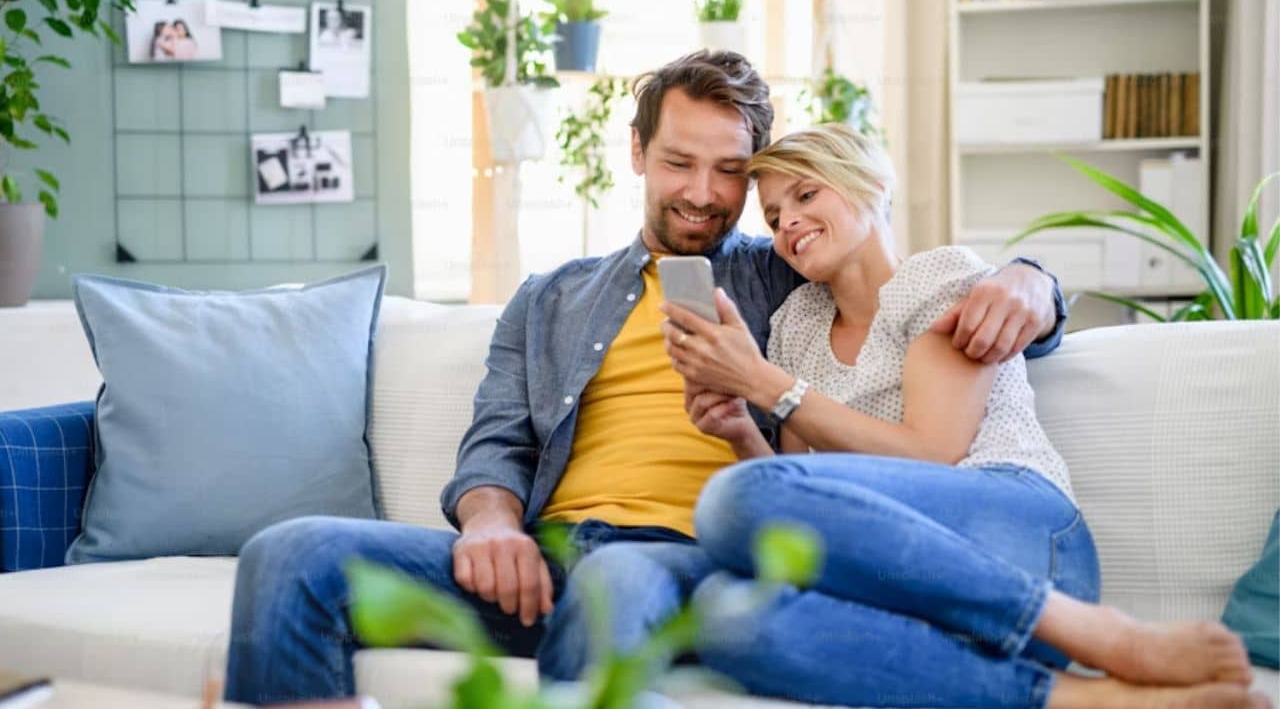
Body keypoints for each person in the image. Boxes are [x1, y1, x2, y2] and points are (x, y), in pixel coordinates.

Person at [222, 51, 1068, 705]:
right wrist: (489, 525)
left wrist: (1034, 280)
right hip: (548, 556)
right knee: (293, 554)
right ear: (636, 151)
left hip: (686, 561)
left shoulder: (786, 275)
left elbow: (912, 304)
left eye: (731, 172)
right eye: (678, 162)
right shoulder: (551, 297)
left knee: (612, 584)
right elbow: (495, 443)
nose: (703, 194)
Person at [658, 123, 1268, 709]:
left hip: (1020, 535)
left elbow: (935, 452)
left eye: (807, 194)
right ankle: (1083, 698)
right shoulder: (796, 326)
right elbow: (796, 496)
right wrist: (742, 424)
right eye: (772, 216)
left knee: (730, 500)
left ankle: (1098, 633)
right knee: (722, 611)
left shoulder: (939, 276)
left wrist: (763, 383)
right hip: (909, 581)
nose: (787, 222)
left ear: (869, 186)